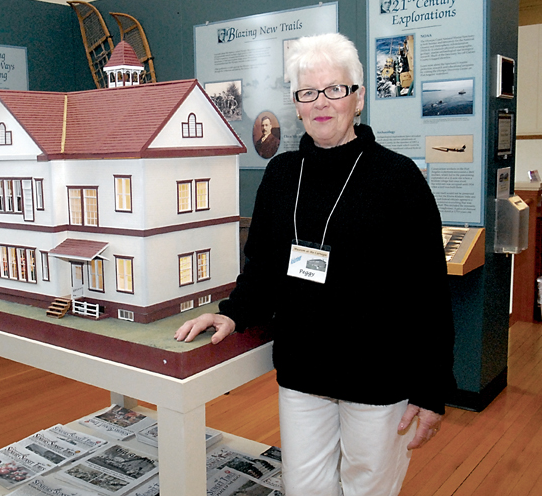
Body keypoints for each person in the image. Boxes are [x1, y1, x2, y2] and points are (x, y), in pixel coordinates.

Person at [175, 32, 454, 496]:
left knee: (367, 488)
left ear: (358, 98)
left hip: (378, 376)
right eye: (308, 92)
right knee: (304, 487)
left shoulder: (398, 178)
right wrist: (232, 313)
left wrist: (431, 389)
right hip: (303, 371)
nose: (321, 102)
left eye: (335, 89)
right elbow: (262, 265)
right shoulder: (281, 175)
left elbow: (429, 290)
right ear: (296, 105)